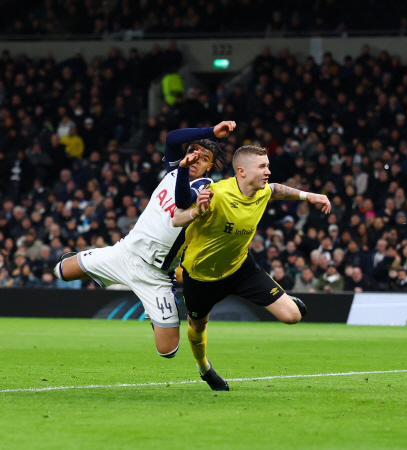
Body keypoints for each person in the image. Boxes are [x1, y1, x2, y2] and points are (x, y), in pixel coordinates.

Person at [53, 121, 236, 359]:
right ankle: (87, 263)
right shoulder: (173, 169)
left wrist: (183, 168)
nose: (195, 159)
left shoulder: (206, 187)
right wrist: (210, 132)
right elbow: (171, 137)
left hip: (155, 275)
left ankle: (152, 309)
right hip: (125, 253)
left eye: (203, 158)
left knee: (167, 351)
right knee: (60, 271)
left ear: (210, 166)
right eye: (192, 152)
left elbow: (182, 201)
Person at [172, 144, 331, 390]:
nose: (268, 171)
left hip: (239, 268)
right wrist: (197, 212)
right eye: (262, 166)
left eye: (267, 165)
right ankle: (204, 367)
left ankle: (286, 299)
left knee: (293, 316)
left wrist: (308, 196)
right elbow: (176, 219)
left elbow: (276, 190)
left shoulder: (261, 191)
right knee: (198, 326)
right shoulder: (216, 193)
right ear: (241, 171)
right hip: (201, 276)